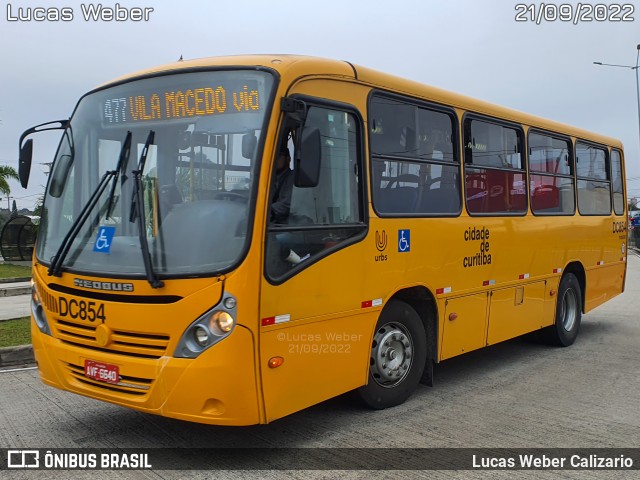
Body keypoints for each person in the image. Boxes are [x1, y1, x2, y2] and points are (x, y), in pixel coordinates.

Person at [270, 147, 294, 224]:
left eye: (279, 156)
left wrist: (263, 210)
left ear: (288, 159)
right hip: (275, 223)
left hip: (288, 224)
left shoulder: (293, 177)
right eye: (273, 156)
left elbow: (285, 206)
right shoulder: (272, 178)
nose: (274, 159)